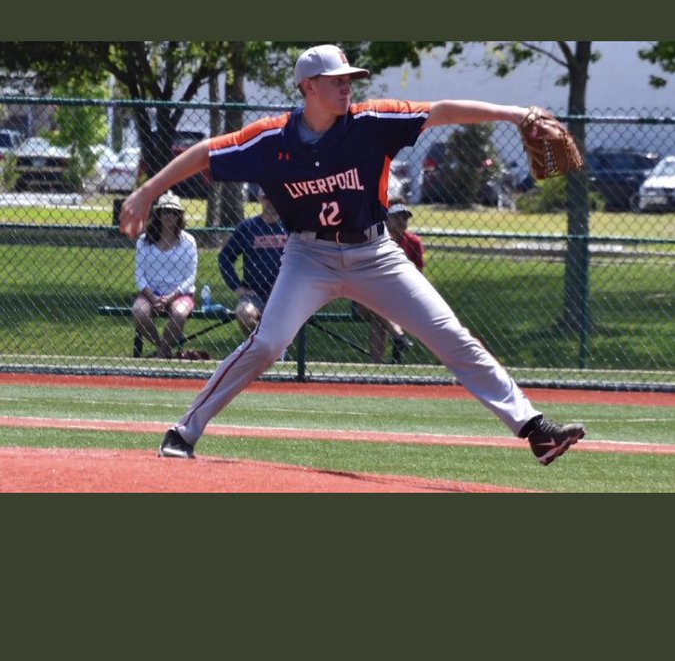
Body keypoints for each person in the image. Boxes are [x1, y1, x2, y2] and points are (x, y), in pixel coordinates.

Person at [119, 44, 586, 465]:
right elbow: (204, 153)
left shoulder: (372, 122)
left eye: (349, 79)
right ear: (308, 87)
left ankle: (534, 429)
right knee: (265, 344)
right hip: (308, 258)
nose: (347, 85)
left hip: (376, 254)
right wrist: (146, 192)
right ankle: (185, 430)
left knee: (450, 334)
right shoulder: (271, 140)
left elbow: (442, 110)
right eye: (337, 79)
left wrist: (514, 113)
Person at [354, 201, 426, 363]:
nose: (402, 221)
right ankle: (398, 336)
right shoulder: (374, 239)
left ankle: (377, 365)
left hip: (401, 297)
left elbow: (419, 277)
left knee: (379, 316)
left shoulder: (413, 242)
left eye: (405, 218)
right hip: (368, 296)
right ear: (386, 219)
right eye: (397, 217)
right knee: (377, 304)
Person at [131, 191, 198, 359]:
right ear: (158, 214)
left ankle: (161, 353)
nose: (170, 216)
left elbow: (190, 277)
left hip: (180, 293)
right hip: (150, 293)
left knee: (179, 314)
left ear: (179, 217)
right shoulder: (144, 241)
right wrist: (153, 298)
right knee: (139, 312)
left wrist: (170, 297)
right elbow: (139, 275)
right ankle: (162, 347)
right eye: (166, 211)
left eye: (174, 213)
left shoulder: (188, 242)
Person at [219, 187, 288, 337]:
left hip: (284, 293)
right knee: (244, 314)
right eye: (266, 197)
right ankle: (265, 348)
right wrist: (236, 287)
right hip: (253, 293)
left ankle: (268, 350)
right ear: (259, 198)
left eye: (274, 197)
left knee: (281, 319)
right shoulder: (248, 227)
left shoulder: (291, 227)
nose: (270, 202)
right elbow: (225, 257)